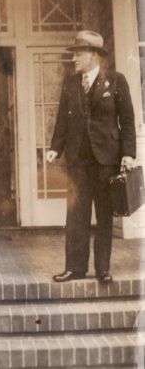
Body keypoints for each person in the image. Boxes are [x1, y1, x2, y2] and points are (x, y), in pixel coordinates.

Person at [46, 30, 136, 284]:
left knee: (104, 216)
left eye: (79, 53)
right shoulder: (71, 83)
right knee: (76, 215)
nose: (74, 58)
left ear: (94, 55)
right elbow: (62, 120)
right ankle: (74, 268)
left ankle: (102, 270)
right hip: (77, 161)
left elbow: (127, 122)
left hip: (106, 160)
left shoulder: (116, 81)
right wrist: (56, 147)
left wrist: (128, 154)